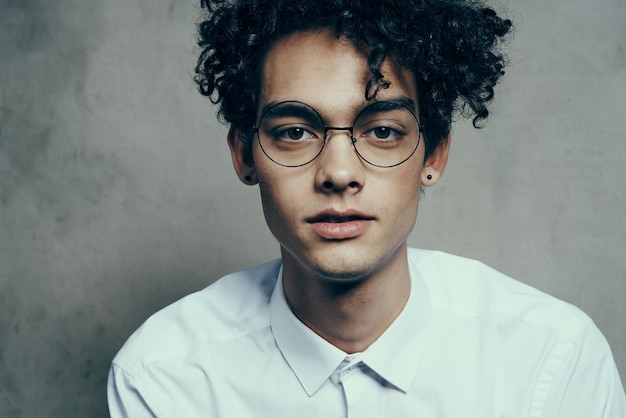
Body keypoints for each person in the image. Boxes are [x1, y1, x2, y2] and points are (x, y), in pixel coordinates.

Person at [107, 0, 626, 416]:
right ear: (244, 155)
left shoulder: (552, 361)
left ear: (434, 153)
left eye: (381, 131)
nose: (338, 172)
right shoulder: (164, 377)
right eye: (294, 131)